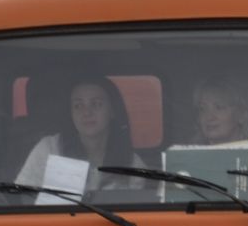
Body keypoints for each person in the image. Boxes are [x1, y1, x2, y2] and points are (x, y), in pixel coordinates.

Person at [14, 76, 150, 192]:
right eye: (78, 106)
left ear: (113, 111)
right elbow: (22, 197)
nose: (87, 112)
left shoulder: (132, 163)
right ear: (71, 113)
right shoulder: (49, 149)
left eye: (96, 104)